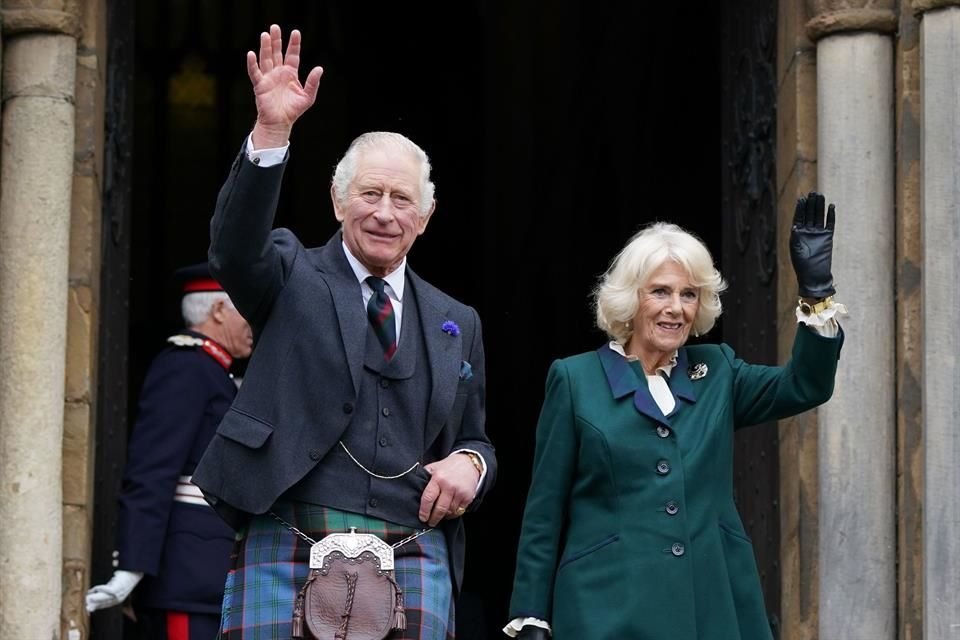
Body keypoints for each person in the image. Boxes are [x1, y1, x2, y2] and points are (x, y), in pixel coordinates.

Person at [190, 24, 497, 639]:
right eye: (370, 193)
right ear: (337, 201)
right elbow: (232, 249)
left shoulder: (456, 321)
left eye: (402, 199)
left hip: (410, 545)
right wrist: (271, 133)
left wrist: (472, 465)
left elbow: (474, 437)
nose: (385, 212)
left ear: (426, 216)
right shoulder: (288, 272)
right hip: (290, 528)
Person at [504, 194, 845, 639]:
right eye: (661, 292)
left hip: (712, 605)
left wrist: (816, 295)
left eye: (689, 295)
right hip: (606, 608)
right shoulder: (575, 380)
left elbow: (805, 385)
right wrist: (531, 613)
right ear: (631, 298)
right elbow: (544, 510)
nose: (676, 307)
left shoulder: (717, 370)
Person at [85, 263, 253, 639]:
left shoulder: (213, 373)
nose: (253, 321)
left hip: (205, 582)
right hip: (183, 583)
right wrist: (132, 565)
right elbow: (152, 470)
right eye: (245, 308)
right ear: (218, 310)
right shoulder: (185, 368)